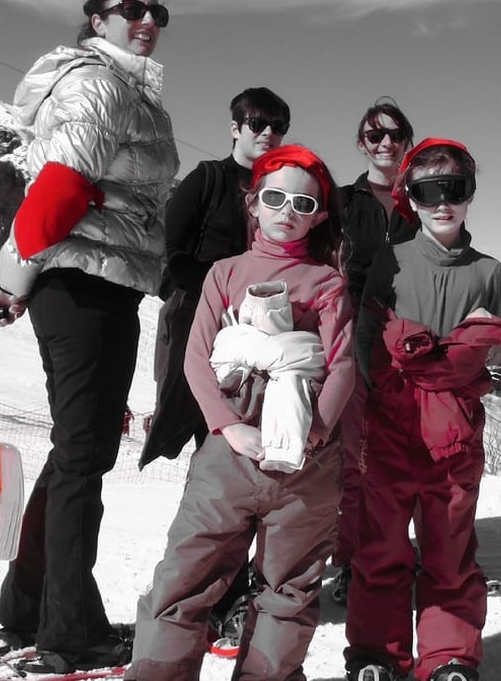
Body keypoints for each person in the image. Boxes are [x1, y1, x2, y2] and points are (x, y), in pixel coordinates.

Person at [0, 0, 178, 676]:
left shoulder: (123, 87)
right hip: (85, 286)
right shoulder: (100, 84)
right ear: (97, 19)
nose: (147, 20)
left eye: (157, 12)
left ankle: (28, 612)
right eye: (132, 8)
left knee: (75, 454)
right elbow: (60, 189)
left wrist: (20, 280)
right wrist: (13, 280)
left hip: (96, 283)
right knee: (83, 457)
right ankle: (68, 633)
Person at [125, 145, 354, 681]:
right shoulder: (224, 273)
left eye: (303, 203)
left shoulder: (328, 282)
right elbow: (196, 356)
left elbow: (343, 364)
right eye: (275, 198)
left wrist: (314, 433)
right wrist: (228, 427)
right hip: (229, 452)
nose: (287, 211)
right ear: (253, 203)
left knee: (289, 588)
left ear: (319, 215)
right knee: (187, 573)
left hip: (305, 460)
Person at [343, 139, 501, 681]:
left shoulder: (487, 270)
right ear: (410, 198)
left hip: (455, 434)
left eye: (454, 189)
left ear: (470, 194)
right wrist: (383, 392)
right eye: (428, 191)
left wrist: (424, 357)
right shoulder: (391, 260)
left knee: (450, 550)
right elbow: (368, 338)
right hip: (391, 426)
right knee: (380, 547)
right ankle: (376, 654)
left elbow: (475, 351)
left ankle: (449, 656)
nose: (443, 203)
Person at [141, 86, 292, 651]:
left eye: (276, 126)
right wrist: (216, 293)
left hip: (263, 343)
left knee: (251, 463)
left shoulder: (282, 191)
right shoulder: (207, 179)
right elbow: (169, 251)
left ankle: (225, 596)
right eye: (256, 123)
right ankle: (197, 597)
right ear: (235, 127)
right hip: (200, 334)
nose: (266, 134)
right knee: (213, 462)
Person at [330, 98, 419, 606]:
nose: (386, 142)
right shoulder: (343, 202)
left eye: (395, 134)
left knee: (409, 455)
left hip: (408, 340)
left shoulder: (422, 199)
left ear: (407, 141)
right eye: (374, 134)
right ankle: (351, 561)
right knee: (356, 457)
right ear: (361, 143)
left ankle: (402, 553)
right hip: (352, 338)